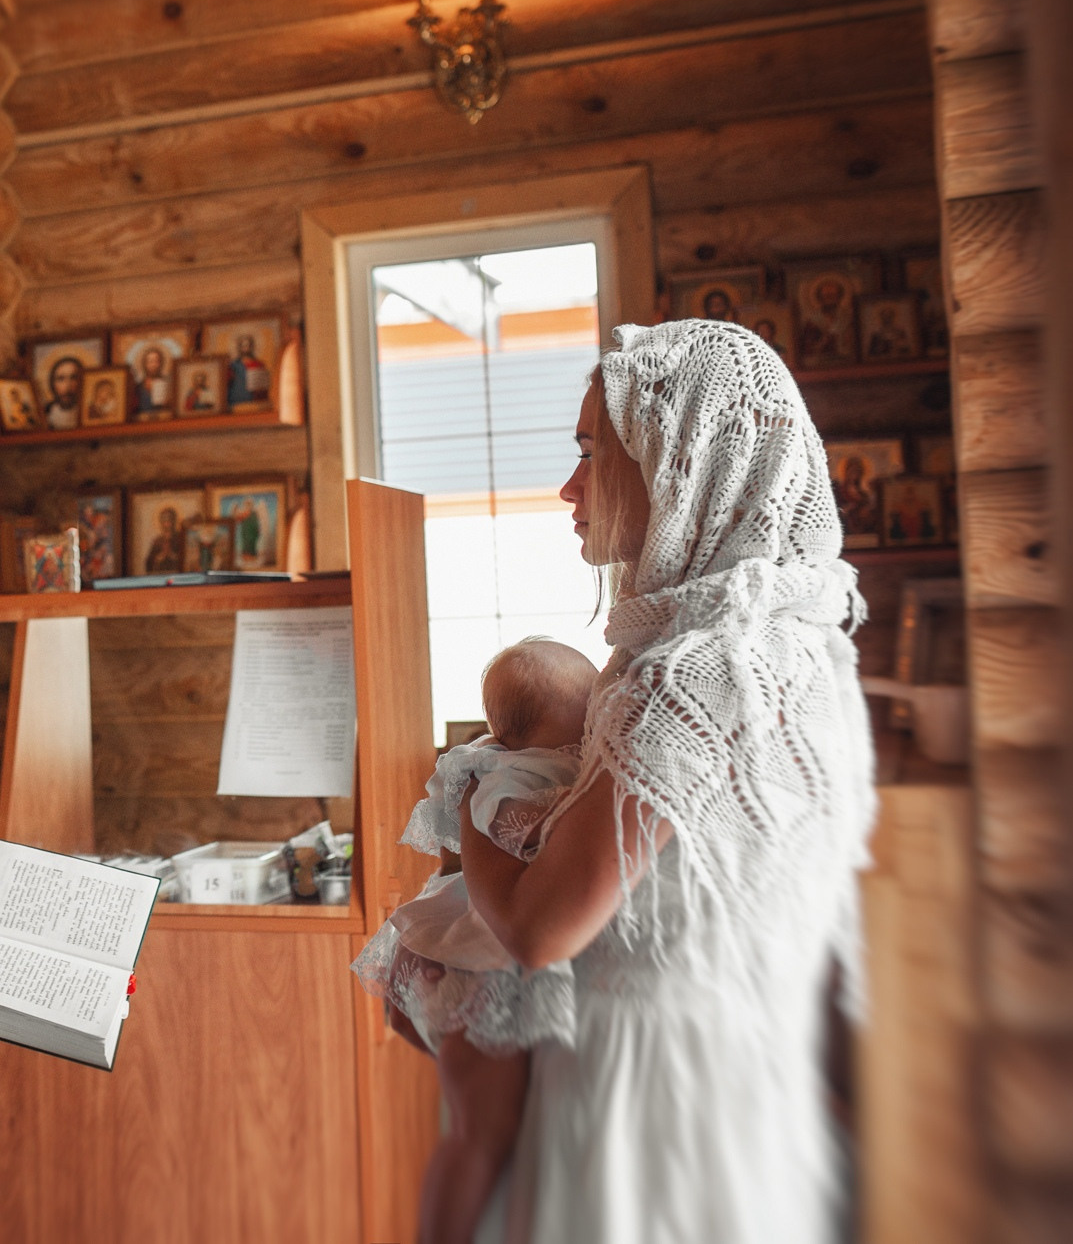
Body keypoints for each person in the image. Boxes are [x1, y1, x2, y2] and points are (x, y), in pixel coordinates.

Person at [454, 319, 875, 1242]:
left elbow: (537, 929)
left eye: (590, 453)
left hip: (644, 1108)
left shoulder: (687, 675)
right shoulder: (811, 650)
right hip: (758, 1083)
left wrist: (464, 814)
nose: (568, 486)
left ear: (680, 462)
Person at [353, 640, 595, 1244]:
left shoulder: (490, 761)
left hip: (464, 963)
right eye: (590, 703)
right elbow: (539, 846)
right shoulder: (524, 778)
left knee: (491, 1135)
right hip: (479, 973)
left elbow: (450, 863)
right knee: (479, 1138)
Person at [226, 333, 271, 409]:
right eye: (243, 346)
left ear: (252, 347)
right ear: (239, 347)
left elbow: (264, 387)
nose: (246, 348)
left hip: (255, 403)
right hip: (236, 402)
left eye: (248, 345)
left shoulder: (259, 364)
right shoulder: (233, 365)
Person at [44, 356, 85, 429]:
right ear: (52, 383)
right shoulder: (45, 413)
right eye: (61, 379)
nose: (68, 385)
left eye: (73, 378)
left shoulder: (88, 413)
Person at [143, 504, 183, 573]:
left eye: (169, 520)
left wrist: (173, 556)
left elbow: (186, 561)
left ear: (174, 521)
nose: (167, 524)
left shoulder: (180, 539)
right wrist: (159, 558)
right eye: (164, 520)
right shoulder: (157, 541)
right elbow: (148, 564)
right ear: (161, 522)